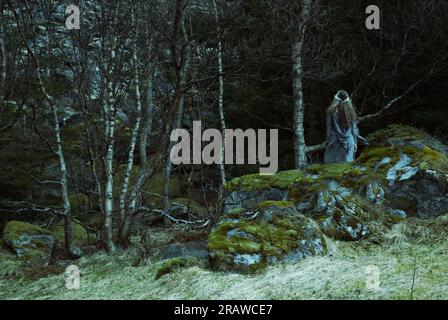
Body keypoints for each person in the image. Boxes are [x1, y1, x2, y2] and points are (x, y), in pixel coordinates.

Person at [324, 90, 368, 163]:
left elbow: (329, 128)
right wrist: (355, 142)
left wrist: (328, 141)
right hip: (349, 141)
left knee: (333, 167)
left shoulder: (331, 111)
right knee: (347, 166)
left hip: (335, 142)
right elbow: (354, 130)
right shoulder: (350, 111)